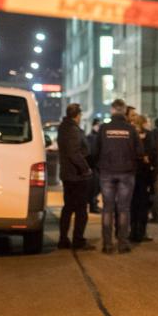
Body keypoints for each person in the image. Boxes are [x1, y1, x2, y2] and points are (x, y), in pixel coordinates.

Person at [95, 99, 142, 253]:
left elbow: (95, 150)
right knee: (124, 209)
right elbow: (139, 152)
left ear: (112, 110)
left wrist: (99, 166)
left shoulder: (104, 128)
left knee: (107, 208)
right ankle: (123, 243)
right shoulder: (131, 129)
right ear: (123, 111)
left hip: (106, 172)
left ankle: (107, 244)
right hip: (127, 173)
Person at [57, 103, 94, 250]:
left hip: (68, 175)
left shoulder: (64, 128)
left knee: (68, 208)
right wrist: (85, 169)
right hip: (76, 176)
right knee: (80, 211)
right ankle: (77, 240)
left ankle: (64, 239)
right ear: (77, 116)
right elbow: (74, 153)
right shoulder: (72, 130)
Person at [130, 115, 156, 244]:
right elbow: (153, 153)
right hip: (145, 174)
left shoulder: (131, 135)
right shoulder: (149, 135)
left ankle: (133, 231)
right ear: (144, 123)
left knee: (133, 203)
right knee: (143, 204)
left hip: (133, 173)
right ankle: (142, 231)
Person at [87, 118, 103, 213]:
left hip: (95, 166)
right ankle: (93, 205)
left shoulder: (95, 136)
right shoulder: (92, 137)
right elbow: (92, 152)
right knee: (95, 187)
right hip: (94, 166)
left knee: (96, 187)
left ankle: (94, 204)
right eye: (98, 125)